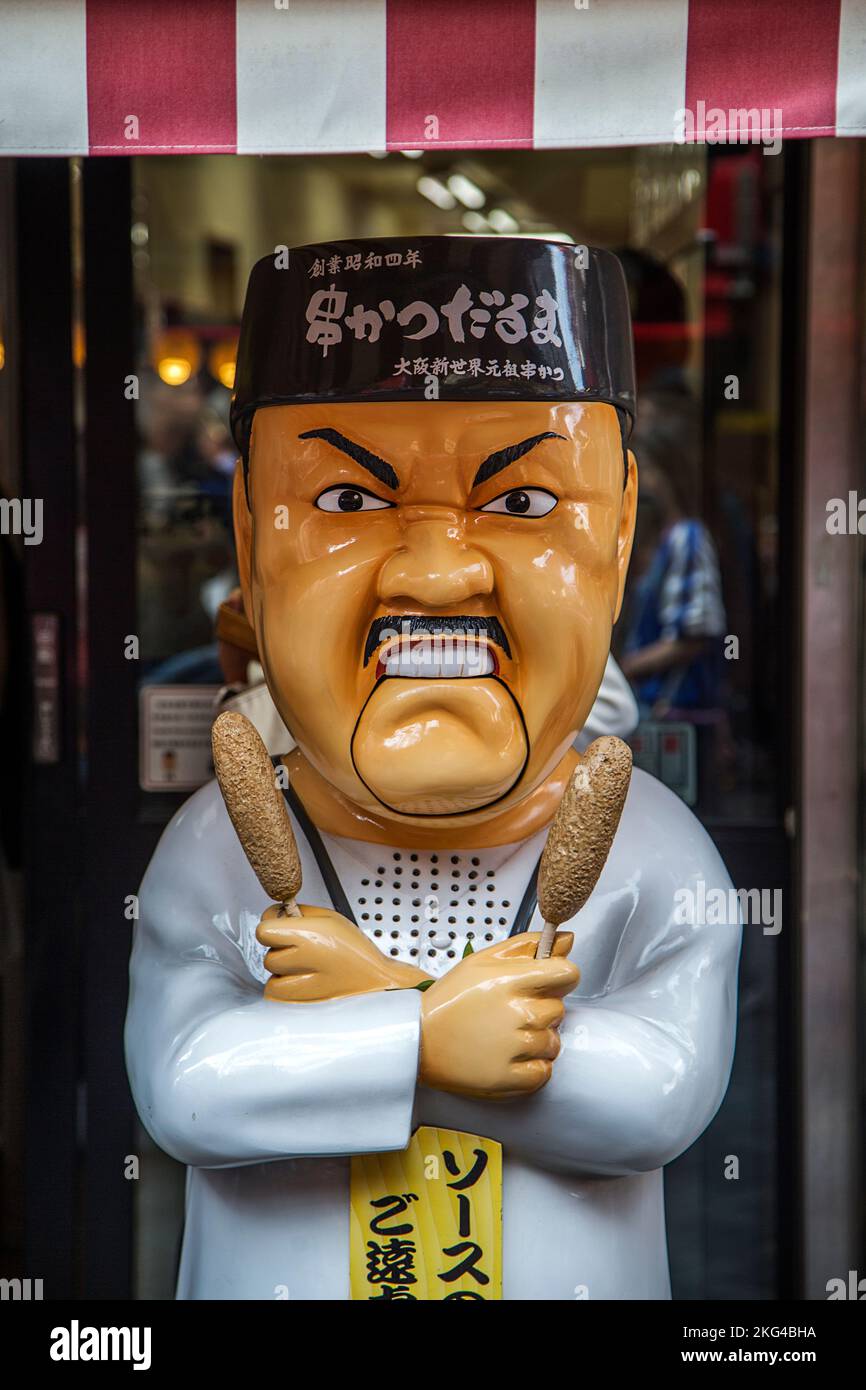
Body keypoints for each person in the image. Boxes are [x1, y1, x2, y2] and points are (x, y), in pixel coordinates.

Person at [126, 238, 741, 1300]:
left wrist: (383, 1012)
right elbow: (186, 1089)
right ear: (247, 537)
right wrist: (430, 1039)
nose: (437, 569)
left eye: (525, 504)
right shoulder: (221, 844)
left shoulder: (649, 848)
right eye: (348, 504)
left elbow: (659, 1099)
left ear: (621, 534)